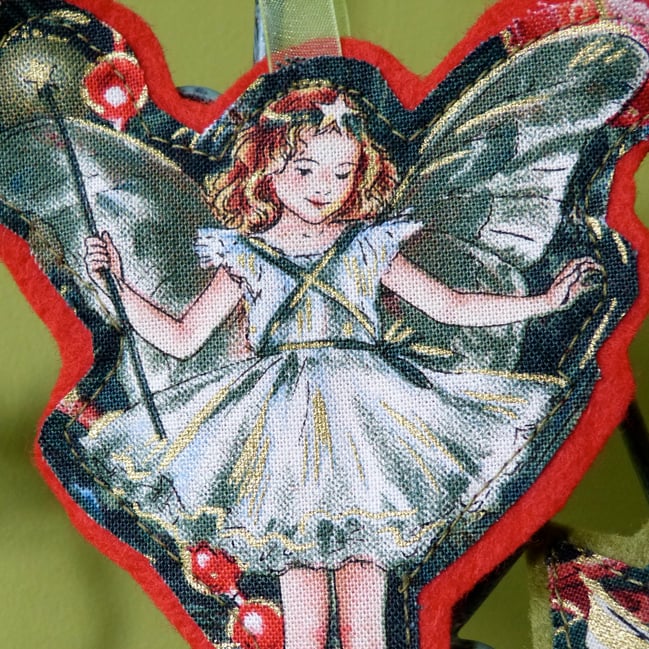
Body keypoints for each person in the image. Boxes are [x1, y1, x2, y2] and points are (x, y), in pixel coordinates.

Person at [84, 86, 598, 649]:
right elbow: (181, 339)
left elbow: (448, 305)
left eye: (341, 173)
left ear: (361, 175)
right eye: (304, 169)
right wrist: (119, 285)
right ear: (266, 167)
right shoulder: (242, 254)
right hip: (280, 433)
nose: (323, 188)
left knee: (364, 620)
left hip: (367, 423)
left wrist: (544, 302)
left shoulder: (368, 244)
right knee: (303, 622)